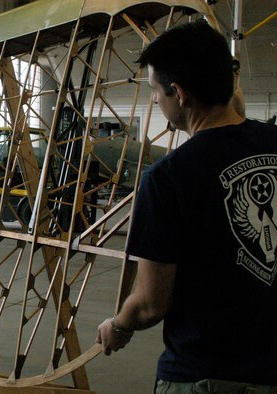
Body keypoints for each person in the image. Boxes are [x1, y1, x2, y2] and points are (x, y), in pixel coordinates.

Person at [96, 20, 277, 393]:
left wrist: (118, 325)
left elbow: (151, 303)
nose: (156, 102)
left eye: (155, 92)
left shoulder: (167, 177)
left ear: (178, 93)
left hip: (206, 376)